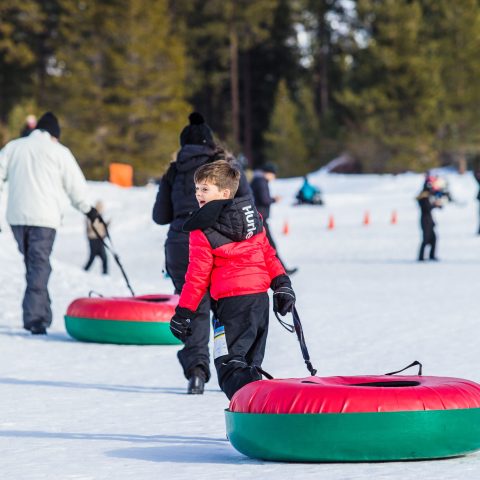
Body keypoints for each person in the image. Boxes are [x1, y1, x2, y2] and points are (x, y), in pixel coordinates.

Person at [169, 160, 296, 399]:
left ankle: (261, 406)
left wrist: (184, 312)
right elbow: (268, 254)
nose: (198, 194)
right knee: (249, 365)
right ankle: (258, 417)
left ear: (225, 192)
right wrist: (281, 284)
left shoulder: (201, 228)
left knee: (229, 366)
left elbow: (197, 276)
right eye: (197, 189)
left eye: (205, 189)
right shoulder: (252, 216)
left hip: (231, 306)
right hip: (259, 303)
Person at [152, 112, 251, 395]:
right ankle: (233, 372)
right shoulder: (225, 167)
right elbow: (247, 207)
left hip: (181, 246)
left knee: (193, 308)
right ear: (211, 142)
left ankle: (196, 371)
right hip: (221, 244)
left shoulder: (174, 171)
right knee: (226, 310)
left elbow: (160, 215)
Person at [0, 111, 100, 334]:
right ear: (54, 134)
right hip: (44, 219)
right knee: (39, 265)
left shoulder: (14, 147)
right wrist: (89, 210)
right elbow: (75, 186)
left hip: (16, 219)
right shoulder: (59, 152)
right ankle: (36, 318)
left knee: (34, 265)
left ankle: (41, 313)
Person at [250, 163, 297, 275]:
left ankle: (276, 269)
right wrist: (274, 199)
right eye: (273, 174)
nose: (274, 177)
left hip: (256, 218)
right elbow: (264, 199)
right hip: (260, 219)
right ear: (269, 173)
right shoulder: (261, 182)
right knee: (270, 246)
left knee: (262, 246)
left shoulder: (256, 180)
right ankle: (281, 270)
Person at [417, 173, 448, 262]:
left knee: (434, 238)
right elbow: (426, 207)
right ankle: (421, 257)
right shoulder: (423, 196)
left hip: (429, 220)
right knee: (426, 239)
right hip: (425, 220)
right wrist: (435, 205)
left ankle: (431, 256)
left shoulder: (428, 195)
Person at [84, 200, 108, 274]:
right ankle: (84, 271)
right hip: (94, 239)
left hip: (100, 239)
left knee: (104, 258)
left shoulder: (100, 216)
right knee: (94, 257)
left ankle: (105, 274)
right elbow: (92, 228)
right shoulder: (92, 216)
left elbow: (102, 228)